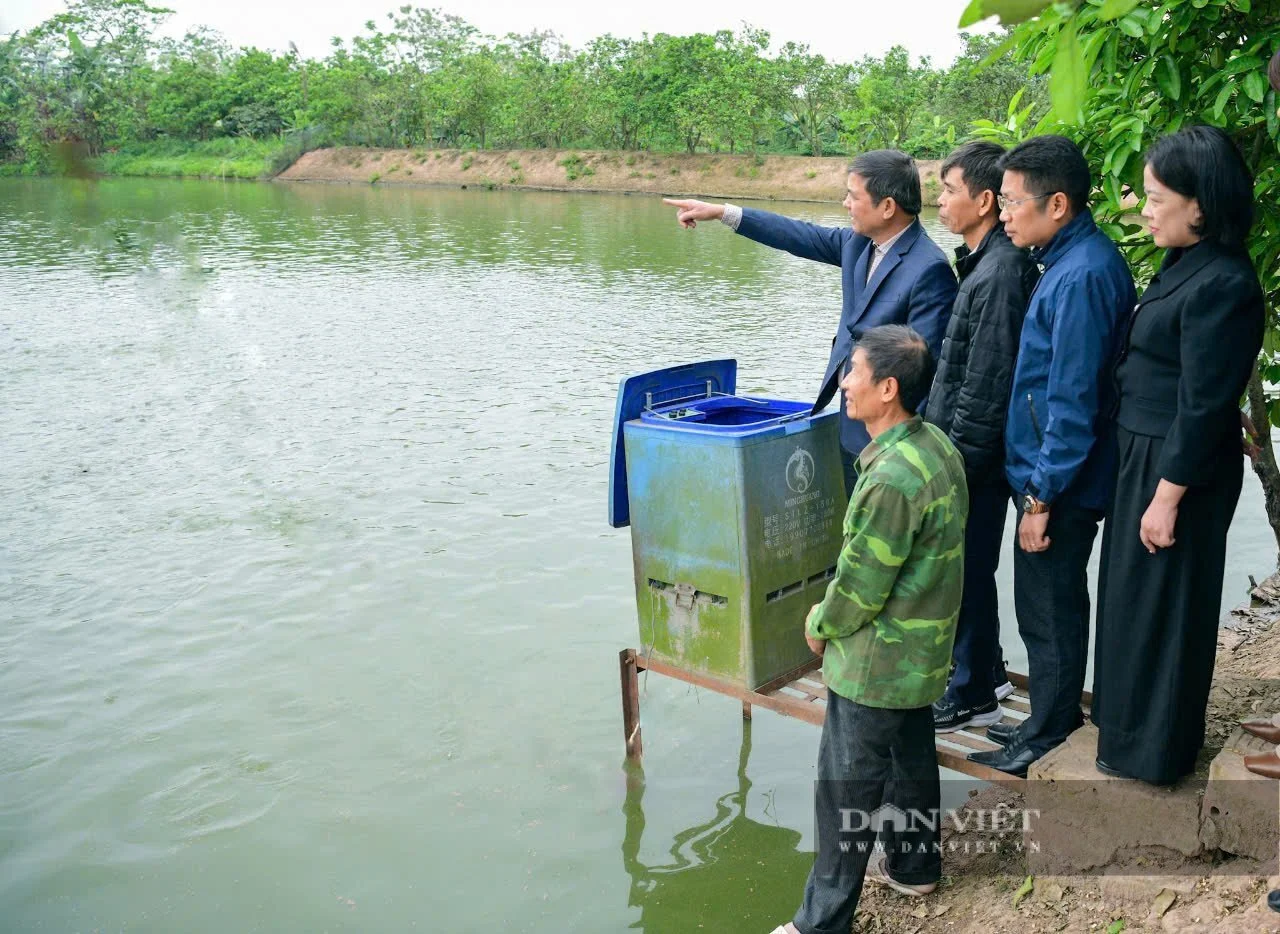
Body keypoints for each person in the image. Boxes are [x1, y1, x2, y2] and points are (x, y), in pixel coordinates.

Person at [769, 325, 968, 934]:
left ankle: (820, 924)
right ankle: (914, 867)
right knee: (911, 759)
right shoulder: (935, 445)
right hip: (923, 653)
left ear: (888, 388)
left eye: (852, 372)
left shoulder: (889, 477)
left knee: (843, 794)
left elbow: (860, 584)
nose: (843, 384)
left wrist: (818, 623)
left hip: (877, 662)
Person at [1089, 130, 1265, 784]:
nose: (1146, 209)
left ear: (1201, 204)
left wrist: (1168, 498)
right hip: (1146, 453)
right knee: (1133, 600)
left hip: (1178, 468)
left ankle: (1155, 753)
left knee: (1166, 607)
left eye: (1158, 197)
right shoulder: (1184, 261)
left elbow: (1203, 402)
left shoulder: (1227, 283)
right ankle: (1123, 733)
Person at [966, 136, 1137, 777]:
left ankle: (1050, 728)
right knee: (1043, 606)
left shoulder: (1085, 274)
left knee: (1051, 609)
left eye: (1011, 203)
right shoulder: (1065, 261)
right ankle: (1046, 718)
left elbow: (1072, 402)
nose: (1003, 214)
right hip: (1047, 476)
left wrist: (1040, 497)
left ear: (1057, 203)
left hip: (1059, 485)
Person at [663, 150, 957, 493]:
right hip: (852, 424)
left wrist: (901, 454)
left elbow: (924, 373)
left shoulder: (928, 268)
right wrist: (724, 213)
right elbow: (797, 235)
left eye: (853, 195)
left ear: (888, 206)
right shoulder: (859, 244)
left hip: (890, 442)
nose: (846, 203)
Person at [924, 140, 1039, 732]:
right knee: (966, 570)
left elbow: (990, 383)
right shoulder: (983, 262)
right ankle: (983, 671)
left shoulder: (999, 273)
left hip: (975, 459)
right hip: (965, 451)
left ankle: (971, 688)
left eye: (948, 190)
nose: (939, 200)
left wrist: (956, 463)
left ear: (986, 200)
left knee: (965, 571)